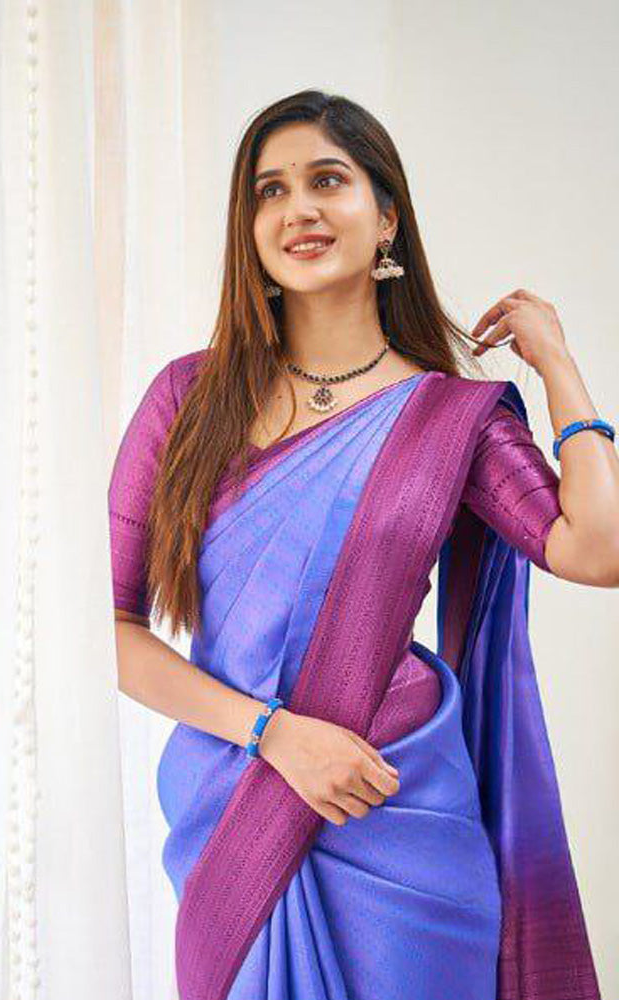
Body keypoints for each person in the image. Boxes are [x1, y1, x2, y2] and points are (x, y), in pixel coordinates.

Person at [108, 90, 615, 1000]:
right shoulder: (187, 401)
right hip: (233, 810)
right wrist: (273, 735)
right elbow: (109, 632)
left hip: (400, 813)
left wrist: (560, 367)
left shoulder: (453, 418)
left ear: (386, 217)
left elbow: (597, 551)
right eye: (269, 190)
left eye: (327, 181)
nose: (297, 208)